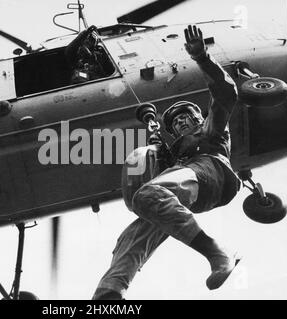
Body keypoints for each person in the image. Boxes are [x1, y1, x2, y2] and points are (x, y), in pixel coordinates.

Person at [92, 25, 241, 300]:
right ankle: (109, 294)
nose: (181, 121)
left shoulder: (211, 130)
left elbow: (225, 92)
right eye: (175, 122)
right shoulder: (174, 155)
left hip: (211, 173)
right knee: (131, 236)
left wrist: (202, 58)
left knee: (147, 195)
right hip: (185, 188)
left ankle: (216, 253)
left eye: (186, 116)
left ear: (199, 118)